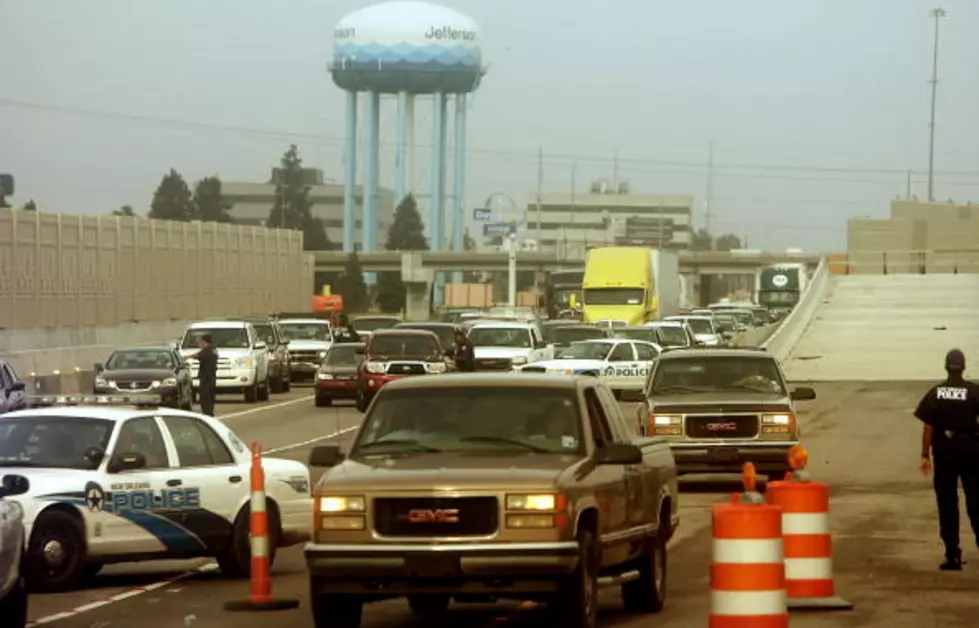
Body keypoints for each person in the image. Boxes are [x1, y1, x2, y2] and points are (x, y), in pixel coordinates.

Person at [915, 349, 979, 571]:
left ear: (946, 366)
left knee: (947, 502)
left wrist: (925, 455)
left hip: (944, 452)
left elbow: (928, 426)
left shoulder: (936, 393)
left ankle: (953, 555)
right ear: (963, 367)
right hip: (971, 450)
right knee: (976, 501)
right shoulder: (973, 392)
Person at [190, 334, 218, 416]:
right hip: (211, 377)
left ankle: (207, 414)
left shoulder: (208, 350)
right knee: (210, 397)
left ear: (205, 342)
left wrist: (186, 357)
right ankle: (209, 412)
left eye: (201, 342)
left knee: (205, 397)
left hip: (206, 378)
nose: (200, 344)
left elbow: (198, 355)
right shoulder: (213, 349)